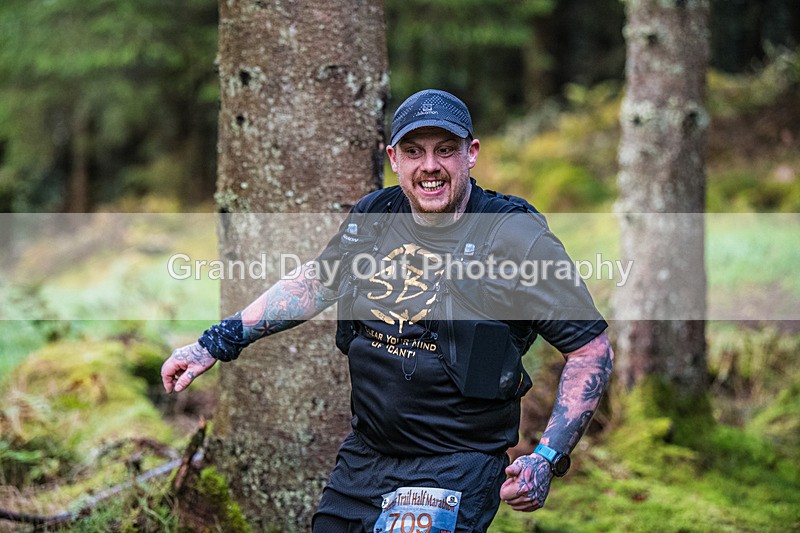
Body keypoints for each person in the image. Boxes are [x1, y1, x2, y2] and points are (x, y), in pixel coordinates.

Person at [161, 89, 614, 533]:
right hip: (365, 459)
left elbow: (589, 350)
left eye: (445, 150)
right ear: (393, 158)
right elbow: (315, 284)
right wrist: (213, 344)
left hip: (453, 466)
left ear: (471, 153)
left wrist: (547, 459)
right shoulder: (375, 215)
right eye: (414, 152)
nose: (430, 166)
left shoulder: (515, 236)